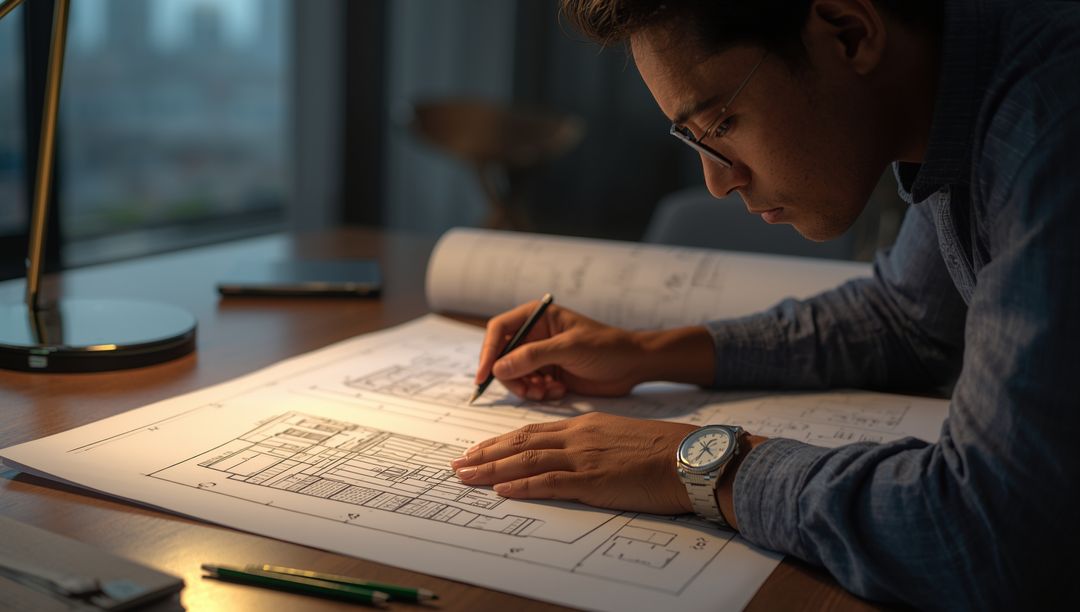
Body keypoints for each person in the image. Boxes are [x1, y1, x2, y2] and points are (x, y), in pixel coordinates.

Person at [449, 0, 1080, 608]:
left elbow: (985, 537)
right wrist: (645, 352)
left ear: (848, 31)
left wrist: (701, 465)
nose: (718, 181)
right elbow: (908, 319)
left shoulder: (1048, 134)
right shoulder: (966, 84)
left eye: (720, 124)